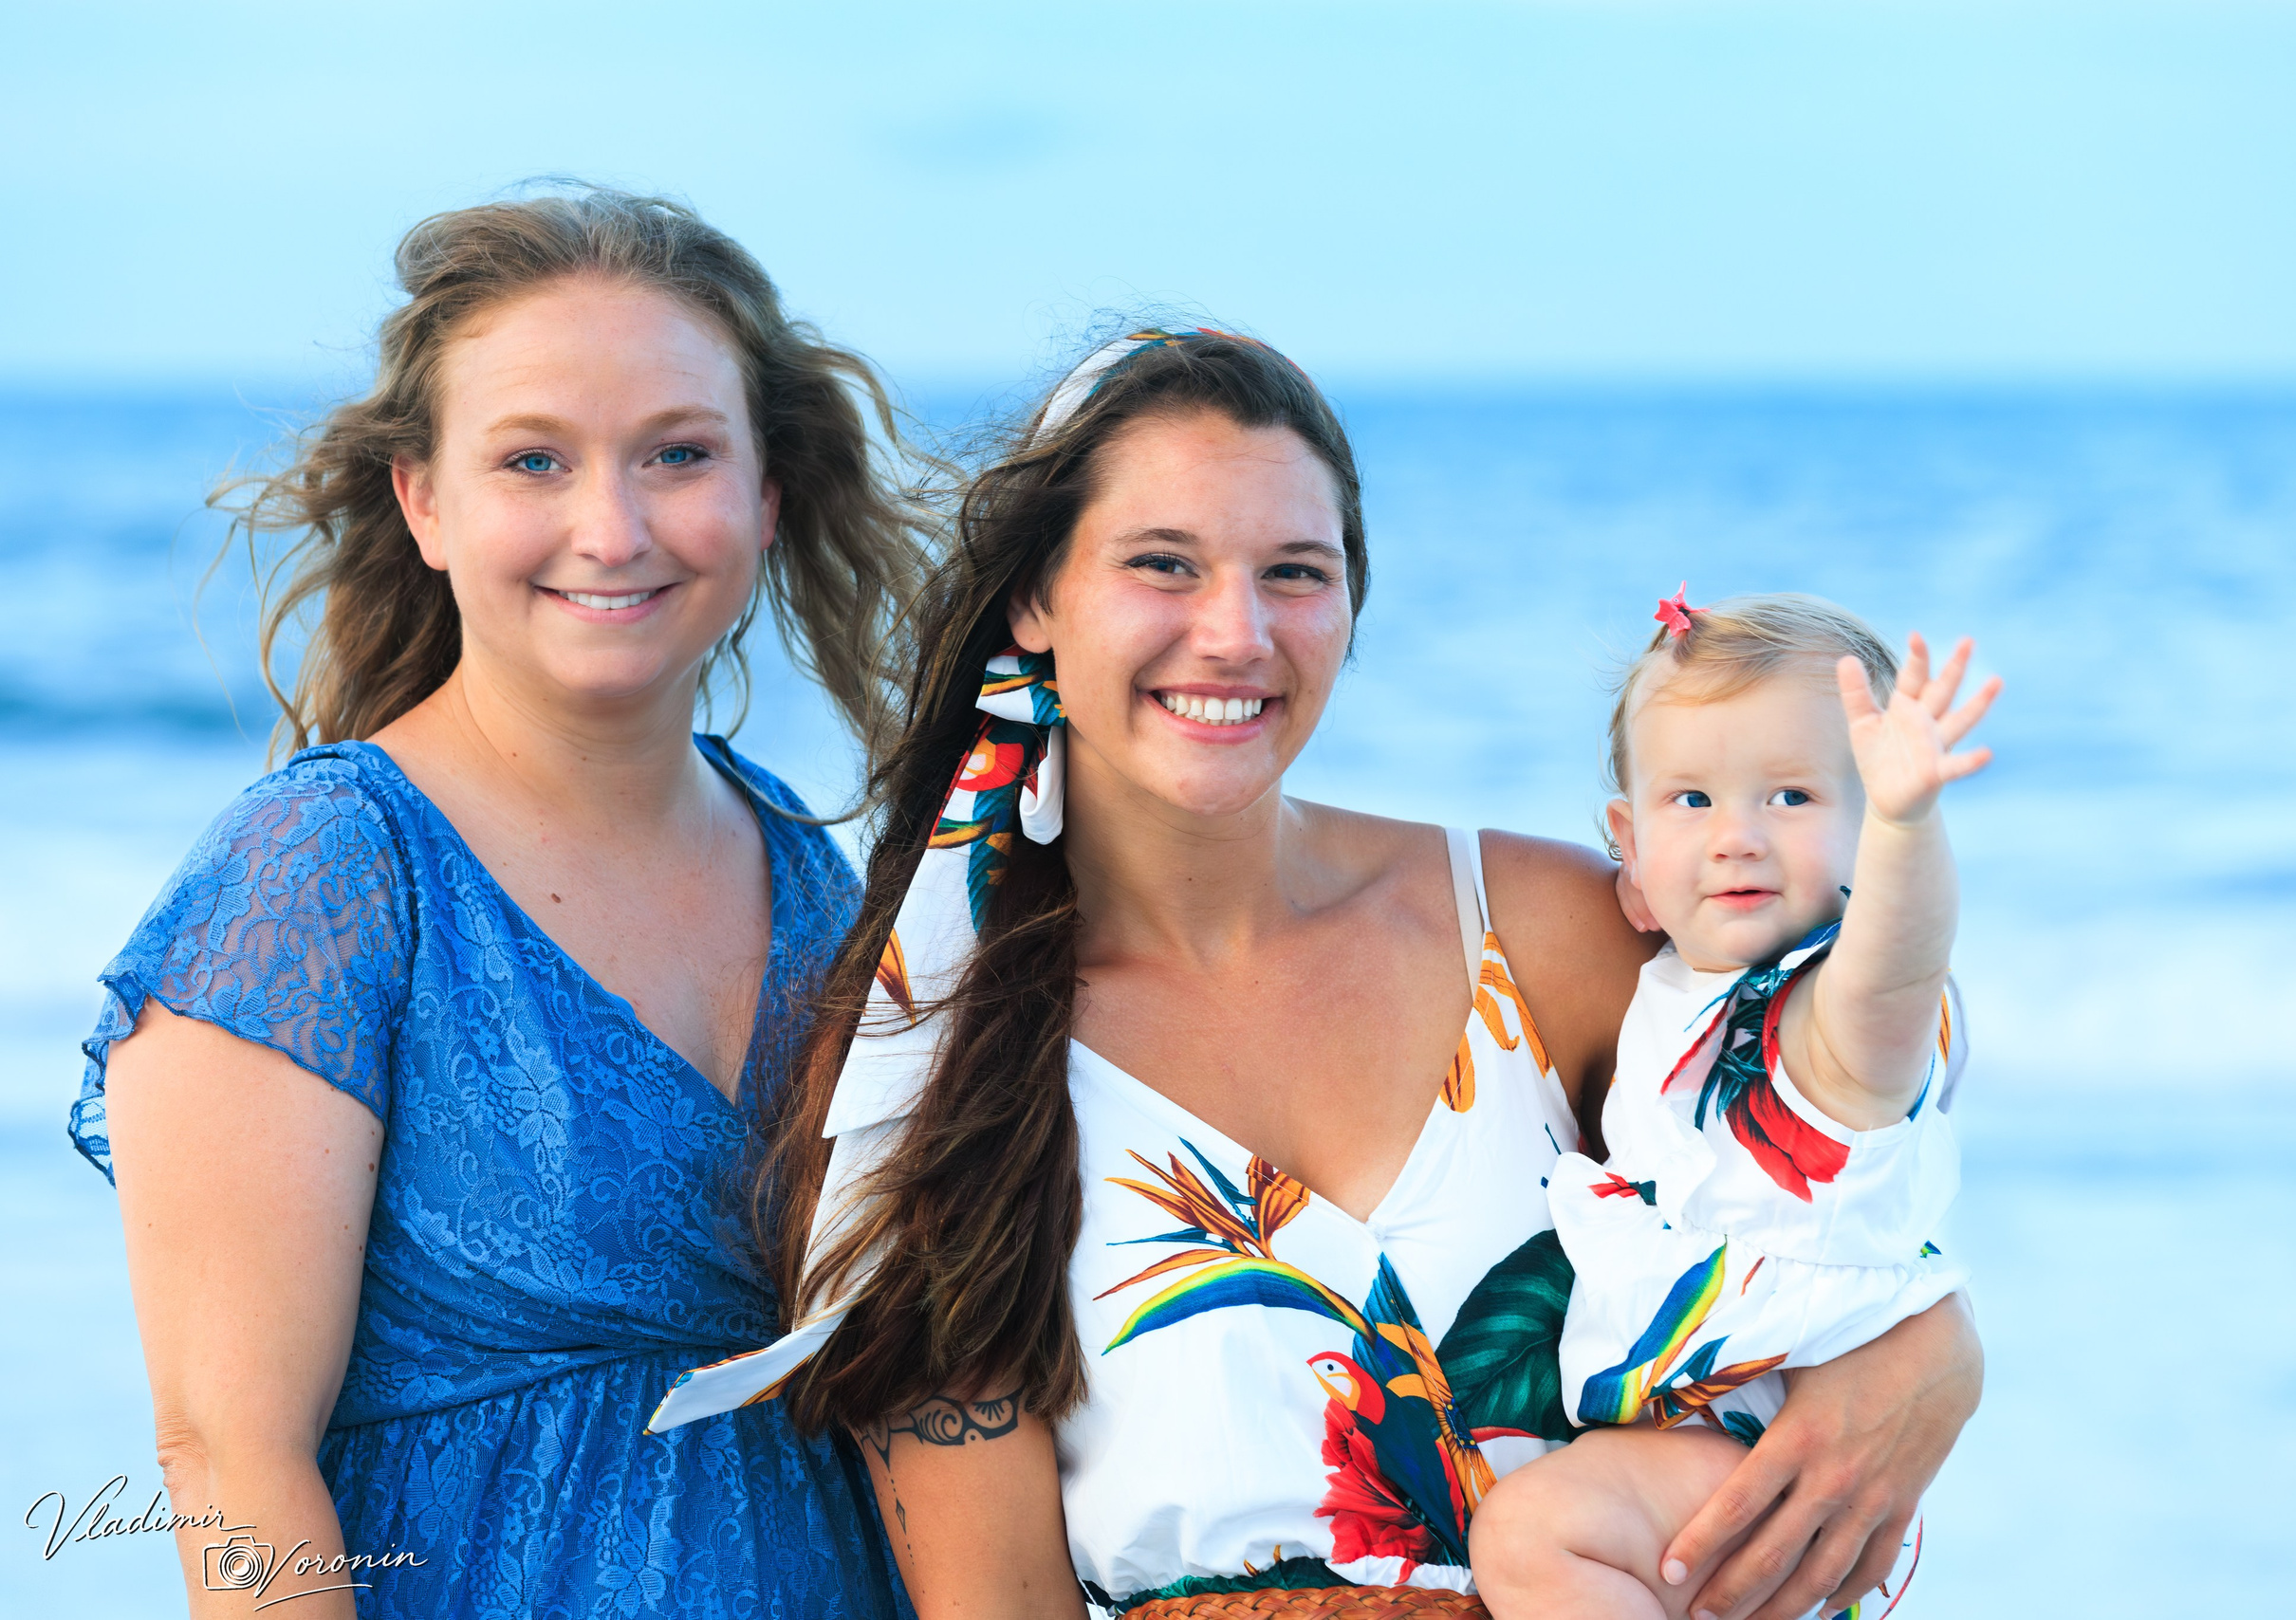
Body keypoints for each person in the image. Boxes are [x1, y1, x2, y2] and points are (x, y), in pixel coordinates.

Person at [655, 325, 1984, 1620]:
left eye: (1295, 571)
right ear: (1036, 600)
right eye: (1163, 564)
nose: (1236, 634)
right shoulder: (934, 1072)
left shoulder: (1542, 927)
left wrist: (1935, 1348)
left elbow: (1837, 1103)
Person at [72, 188, 929, 1618]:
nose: (612, 524)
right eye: (533, 459)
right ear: (425, 501)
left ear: (766, 495)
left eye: (679, 454)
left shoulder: (810, 869)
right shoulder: (326, 876)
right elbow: (226, 1460)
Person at [1466, 593, 2000, 1618]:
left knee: (1534, 1534)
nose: (1738, 837)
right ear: (1627, 856)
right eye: (1692, 800)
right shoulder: (1672, 983)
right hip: (1706, 1426)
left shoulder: (1822, 1017)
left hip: (1779, 1439)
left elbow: (1898, 968)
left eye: (1792, 797)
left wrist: (1906, 825)